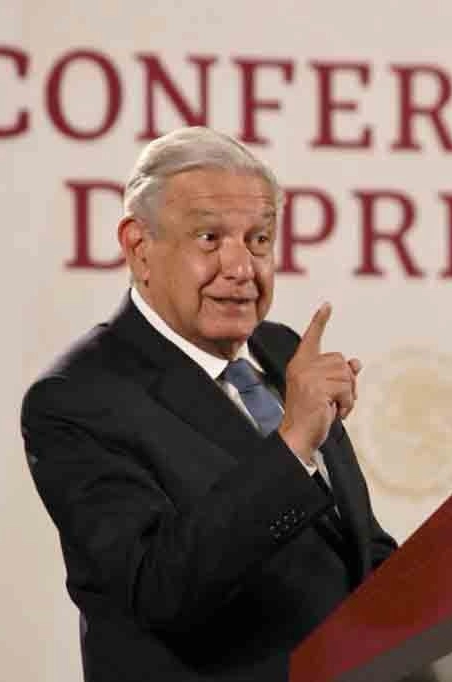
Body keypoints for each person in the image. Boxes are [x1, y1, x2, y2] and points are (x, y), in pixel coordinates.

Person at [21, 127, 397, 681]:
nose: (242, 267)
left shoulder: (283, 350)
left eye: (259, 240)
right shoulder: (78, 398)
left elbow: (349, 550)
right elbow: (160, 589)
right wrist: (293, 445)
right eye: (209, 239)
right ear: (138, 247)